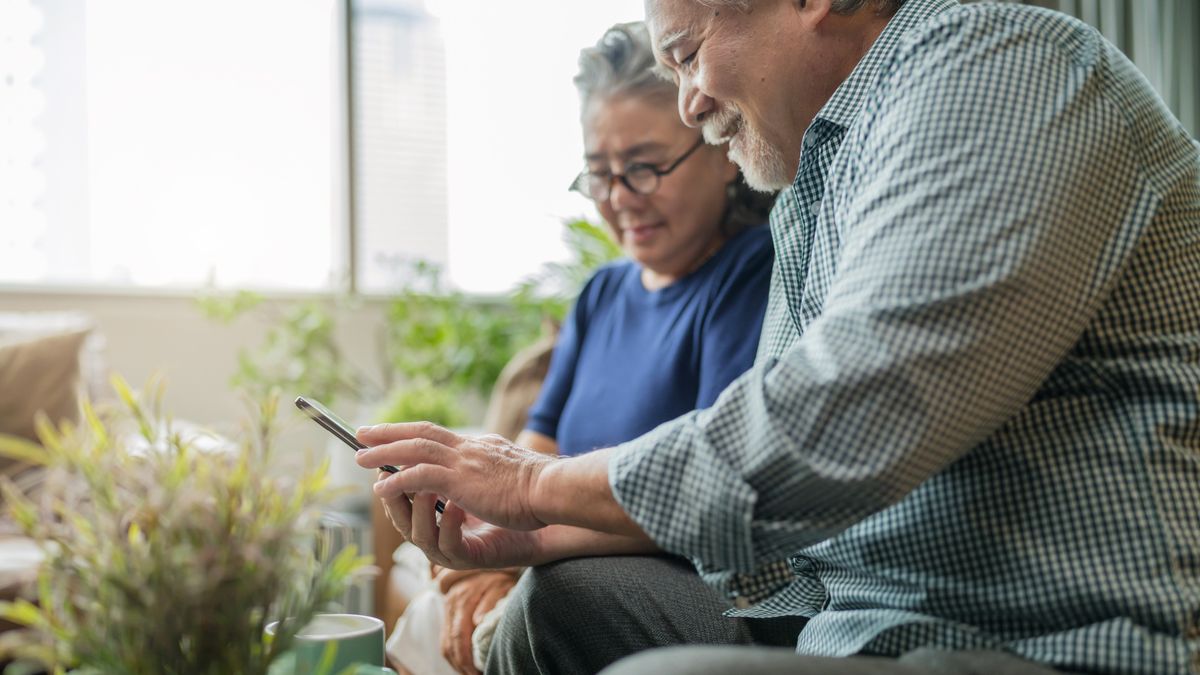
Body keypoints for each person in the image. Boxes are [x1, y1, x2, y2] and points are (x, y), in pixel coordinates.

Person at [357, 0, 1200, 673]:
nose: (688, 101)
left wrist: (536, 487)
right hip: (854, 615)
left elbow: (841, 421)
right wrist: (520, 538)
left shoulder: (998, 67)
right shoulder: (813, 187)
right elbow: (766, 516)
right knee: (561, 603)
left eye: (686, 53)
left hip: (1047, 635)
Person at [384, 21, 779, 675]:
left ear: (716, 146)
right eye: (600, 175)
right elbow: (529, 454)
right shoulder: (601, 293)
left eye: (645, 168)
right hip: (553, 554)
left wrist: (524, 548)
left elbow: (707, 490)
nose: (620, 199)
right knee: (434, 605)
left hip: (669, 577)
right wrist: (489, 552)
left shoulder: (749, 275)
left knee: (523, 611)